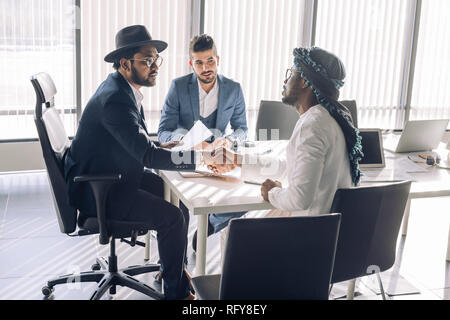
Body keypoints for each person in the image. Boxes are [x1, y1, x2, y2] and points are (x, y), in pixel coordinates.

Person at [63, 25, 209, 300]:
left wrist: (161, 146)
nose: (155, 66)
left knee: (179, 204)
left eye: (156, 59)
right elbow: (148, 156)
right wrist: (201, 160)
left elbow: (138, 142)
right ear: (124, 63)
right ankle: (176, 294)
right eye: (147, 60)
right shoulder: (115, 100)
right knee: (172, 218)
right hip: (101, 190)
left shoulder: (123, 88)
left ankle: (171, 271)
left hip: (116, 171)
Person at [209, 47, 363, 216]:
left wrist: (272, 192)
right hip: (328, 228)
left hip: (310, 232)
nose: (285, 80)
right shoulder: (328, 118)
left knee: (229, 230)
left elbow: (300, 198)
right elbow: (292, 169)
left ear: (304, 80)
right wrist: (238, 160)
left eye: (291, 73)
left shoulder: (313, 125)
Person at [158, 34, 248, 250]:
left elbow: (242, 129)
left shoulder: (233, 89)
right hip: (187, 159)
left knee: (244, 193)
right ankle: (174, 261)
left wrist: (228, 141)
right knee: (177, 208)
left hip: (218, 160)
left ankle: (211, 222)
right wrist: (189, 141)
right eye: (199, 62)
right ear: (191, 63)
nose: (205, 67)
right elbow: (163, 132)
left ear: (218, 59)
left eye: (210, 61)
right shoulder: (178, 87)